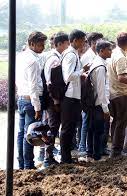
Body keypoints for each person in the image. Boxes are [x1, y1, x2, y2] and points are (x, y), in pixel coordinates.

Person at [16, 31, 47, 169]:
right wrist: (37, 107)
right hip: (31, 101)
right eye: (41, 45)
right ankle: (29, 165)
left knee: (21, 133)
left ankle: (22, 164)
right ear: (31, 44)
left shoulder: (20, 56)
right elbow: (33, 87)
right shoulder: (33, 61)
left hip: (22, 98)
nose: (43, 47)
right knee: (30, 135)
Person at [43, 32, 70, 167]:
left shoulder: (55, 56)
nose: (68, 46)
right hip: (53, 99)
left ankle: (50, 156)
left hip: (53, 98)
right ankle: (48, 158)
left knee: (53, 126)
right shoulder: (54, 59)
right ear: (60, 44)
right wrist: (56, 101)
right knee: (53, 127)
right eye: (67, 43)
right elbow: (51, 83)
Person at [60, 29, 86, 163]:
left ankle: (67, 156)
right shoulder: (70, 55)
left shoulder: (73, 54)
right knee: (67, 128)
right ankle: (65, 158)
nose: (84, 43)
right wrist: (82, 71)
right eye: (82, 40)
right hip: (69, 95)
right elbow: (68, 76)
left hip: (74, 95)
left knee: (70, 127)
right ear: (75, 40)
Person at [86, 40, 112, 161]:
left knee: (92, 129)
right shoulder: (100, 67)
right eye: (109, 49)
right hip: (99, 104)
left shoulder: (96, 62)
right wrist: (105, 109)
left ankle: (90, 152)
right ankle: (96, 155)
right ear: (101, 51)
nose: (111, 52)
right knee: (98, 131)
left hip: (94, 103)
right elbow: (101, 90)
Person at [79, 32, 103, 155]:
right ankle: (83, 147)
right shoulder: (87, 57)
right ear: (92, 43)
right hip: (87, 95)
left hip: (94, 94)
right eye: (97, 43)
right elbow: (83, 78)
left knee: (92, 122)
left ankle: (91, 148)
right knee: (86, 120)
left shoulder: (96, 55)